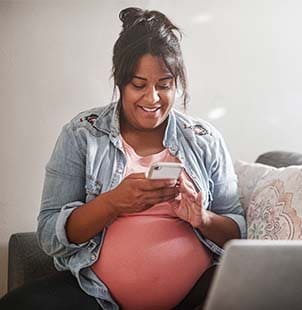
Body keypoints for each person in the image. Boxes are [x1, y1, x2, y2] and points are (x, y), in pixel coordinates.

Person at [0, 7, 246, 310]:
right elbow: (50, 234)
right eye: (139, 85)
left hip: (195, 296)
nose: (152, 98)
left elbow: (238, 230)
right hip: (97, 296)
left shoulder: (204, 139)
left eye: (164, 85)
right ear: (120, 81)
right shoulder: (82, 134)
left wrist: (202, 218)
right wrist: (113, 202)